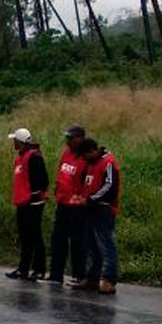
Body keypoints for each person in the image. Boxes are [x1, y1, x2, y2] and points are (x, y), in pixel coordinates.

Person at [71, 139, 121, 294]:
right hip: (90, 209)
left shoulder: (108, 162)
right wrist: (80, 197)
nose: (84, 159)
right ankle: (92, 278)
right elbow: (86, 182)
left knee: (106, 245)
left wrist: (92, 198)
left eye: (85, 156)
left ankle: (109, 279)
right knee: (90, 245)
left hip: (103, 209)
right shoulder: (91, 163)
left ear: (92, 152)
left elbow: (109, 186)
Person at [5, 128, 49, 281]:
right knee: (25, 237)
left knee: (35, 236)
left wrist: (33, 196)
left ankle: (39, 269)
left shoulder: (34, 157)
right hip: (22, 203)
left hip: (33, 203)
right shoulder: (21, 156)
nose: (13, 143)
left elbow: (43, 180)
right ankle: (23, 268)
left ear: (21, 142)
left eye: (15, 140)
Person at [49, 126, 88, 284]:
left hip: (78, 207)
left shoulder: (86, 158)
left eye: (71, 138)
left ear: (80, 139)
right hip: (63, 204)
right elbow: (61, 174)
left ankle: (79, 275)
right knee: (58, 240)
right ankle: (55, 275)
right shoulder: (67, 153)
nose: (68, 141)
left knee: (78, 242)